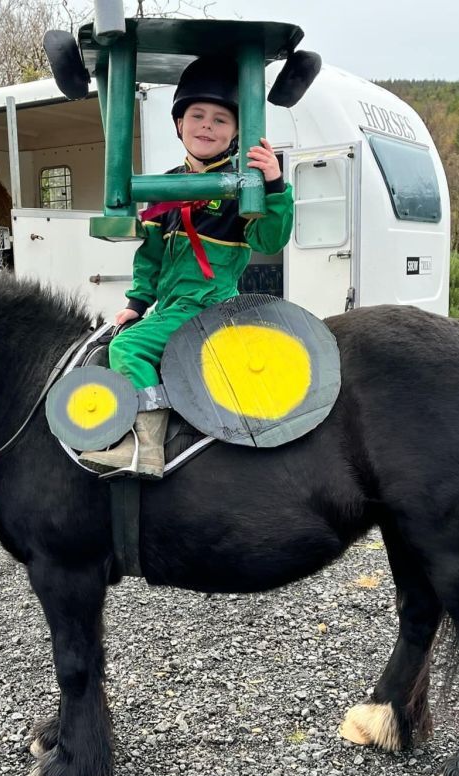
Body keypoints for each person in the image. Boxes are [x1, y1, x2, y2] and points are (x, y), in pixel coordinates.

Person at [79, 54, 295, 479]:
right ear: (179, 124)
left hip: (210, 305)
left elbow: (270, 239)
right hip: (172, 307)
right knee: (119, 337)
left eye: (220, 120)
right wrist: (136, 304)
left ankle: (144, 446)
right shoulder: (165, 186)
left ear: (236, 133)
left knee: (127, 348)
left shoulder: (242, 184)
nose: (207, 126)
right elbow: (152, 258)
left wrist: (274, 186)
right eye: (197, 115)